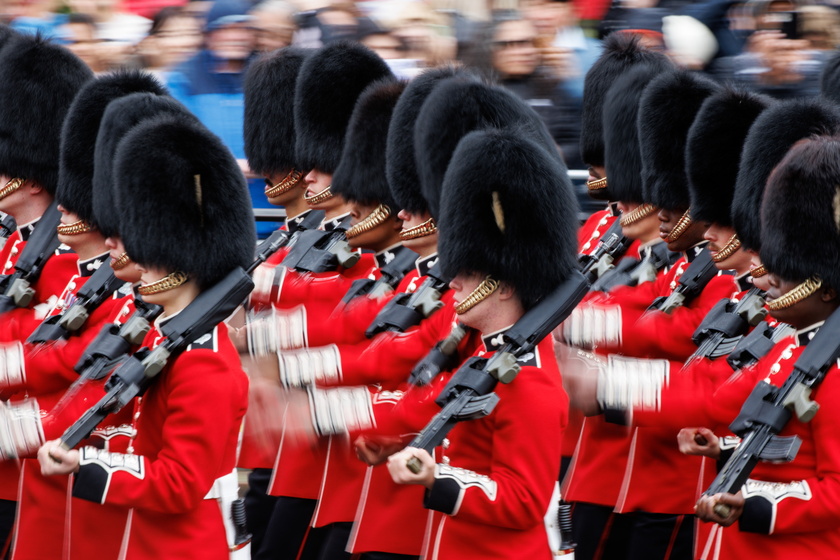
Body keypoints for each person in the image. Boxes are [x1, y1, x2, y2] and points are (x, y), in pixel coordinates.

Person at [37, 111, 256, 559]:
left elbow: (179, 484)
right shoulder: (162, 336)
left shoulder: (203, 359)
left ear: (170, 248)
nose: (114, 244)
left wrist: (88, 465)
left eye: (130, 235)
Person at [381, 124, 580, 560]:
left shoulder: (529, 380)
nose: (452, 279)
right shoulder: (483, 354)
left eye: (466, 272)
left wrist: (438, 480)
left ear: (504, 286)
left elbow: (524, 499)